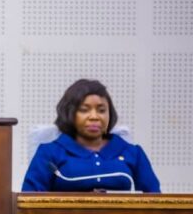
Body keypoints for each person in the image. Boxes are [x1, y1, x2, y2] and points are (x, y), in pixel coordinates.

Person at [22, 79, 160, 192]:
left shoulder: (133, 153)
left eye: (101, 110)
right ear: (70, 113)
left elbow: (155, 202)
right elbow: (29, 203)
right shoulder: (49, 153)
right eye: (84, 110)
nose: (94, 116)